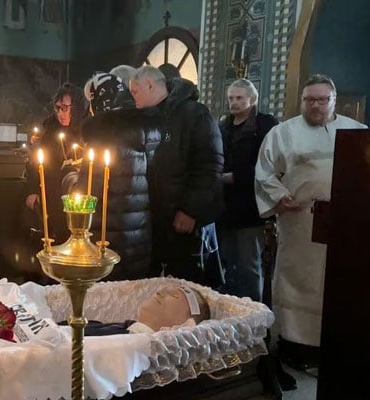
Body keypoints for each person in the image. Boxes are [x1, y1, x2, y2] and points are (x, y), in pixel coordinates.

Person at [255, 74, 367, 370]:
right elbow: (264, 173)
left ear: (334, 100)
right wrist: (280, 197)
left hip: (345, 225)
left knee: (337, 281)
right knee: (299, 281)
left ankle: (337, 341)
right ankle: (296, 345)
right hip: (301, 221)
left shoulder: (357, 131)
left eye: (322, 99)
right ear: (302, 101)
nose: (315, 105)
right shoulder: (283, 133)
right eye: (309, 100)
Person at [129, 65, 224, 282]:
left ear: (150, 85)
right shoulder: (147, 117)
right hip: (155, 220)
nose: (133, 99)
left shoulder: (194, 114)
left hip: (184, 221)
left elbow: (209, 166)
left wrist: (190, 210)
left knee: (186, 286)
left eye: (135, 92)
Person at [74, 72, 161, 280]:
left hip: (106, 235)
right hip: (140, 234)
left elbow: (87, 195)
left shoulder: (103, 138)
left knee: (106, 301)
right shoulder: (148, 130)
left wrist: (69, 180)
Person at [218, 79, 278, 302]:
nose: (234, 102)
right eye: (231, 98)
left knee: (249, 264)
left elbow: (270, 164)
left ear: (252, 100)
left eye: (239, 98)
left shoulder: (265, 125)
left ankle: (253, 315)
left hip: (251, 206)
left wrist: (236, 177)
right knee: (229, 262)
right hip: (226, 206)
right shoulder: (224, 124)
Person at [25, 83, 87, 244]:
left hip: (78, 201)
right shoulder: (51, 130)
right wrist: (32, 190)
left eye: (65, 108)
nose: (60, 113)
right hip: (52, 197)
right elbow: (36, 164)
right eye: (58, 108)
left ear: (77, 107)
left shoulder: (87, 131)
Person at [79, 285, 211, 336]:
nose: (159, 292)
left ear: (187, 324)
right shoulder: (112, 326)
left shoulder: (130, 348)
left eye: (175, 296)